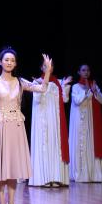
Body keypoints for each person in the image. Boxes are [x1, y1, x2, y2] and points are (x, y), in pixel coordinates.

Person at [0, 48, 50, 204]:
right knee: (1, 165)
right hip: (0, 125)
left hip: (16, 125)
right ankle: (2, 203)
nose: (9, 62)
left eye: (12, 60)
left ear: (15, 64)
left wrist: (48, 71)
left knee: (13, 166)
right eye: (6, 60)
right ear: (0, 62)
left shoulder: (20, 82)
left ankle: (12, 203)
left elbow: (42, 89)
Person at [30, 60, 71, 188]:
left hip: (55, 119)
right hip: (42, 117)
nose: (49, 67)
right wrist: (41, 84)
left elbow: (65, 99)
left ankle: (56, 177)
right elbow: (37, 99)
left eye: (51, 65)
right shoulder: (37, 81)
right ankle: (43, 178)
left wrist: (65, 86)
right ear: (41, 67)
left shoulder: (58, 82)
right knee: (44, 143)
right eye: (45, 65)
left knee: (55, 144)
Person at [70, 64, 102, 183]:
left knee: (91, 144)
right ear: (79, 72)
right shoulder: (76, 87)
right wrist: (87, 91)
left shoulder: (93, 85)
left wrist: (95, 91)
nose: (86, 72)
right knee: (82, 144)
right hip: (80, 120)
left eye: (87, 70)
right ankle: (82, 174)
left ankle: (94, 175)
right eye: (83, 70)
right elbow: (77, 101)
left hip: (91, 121)